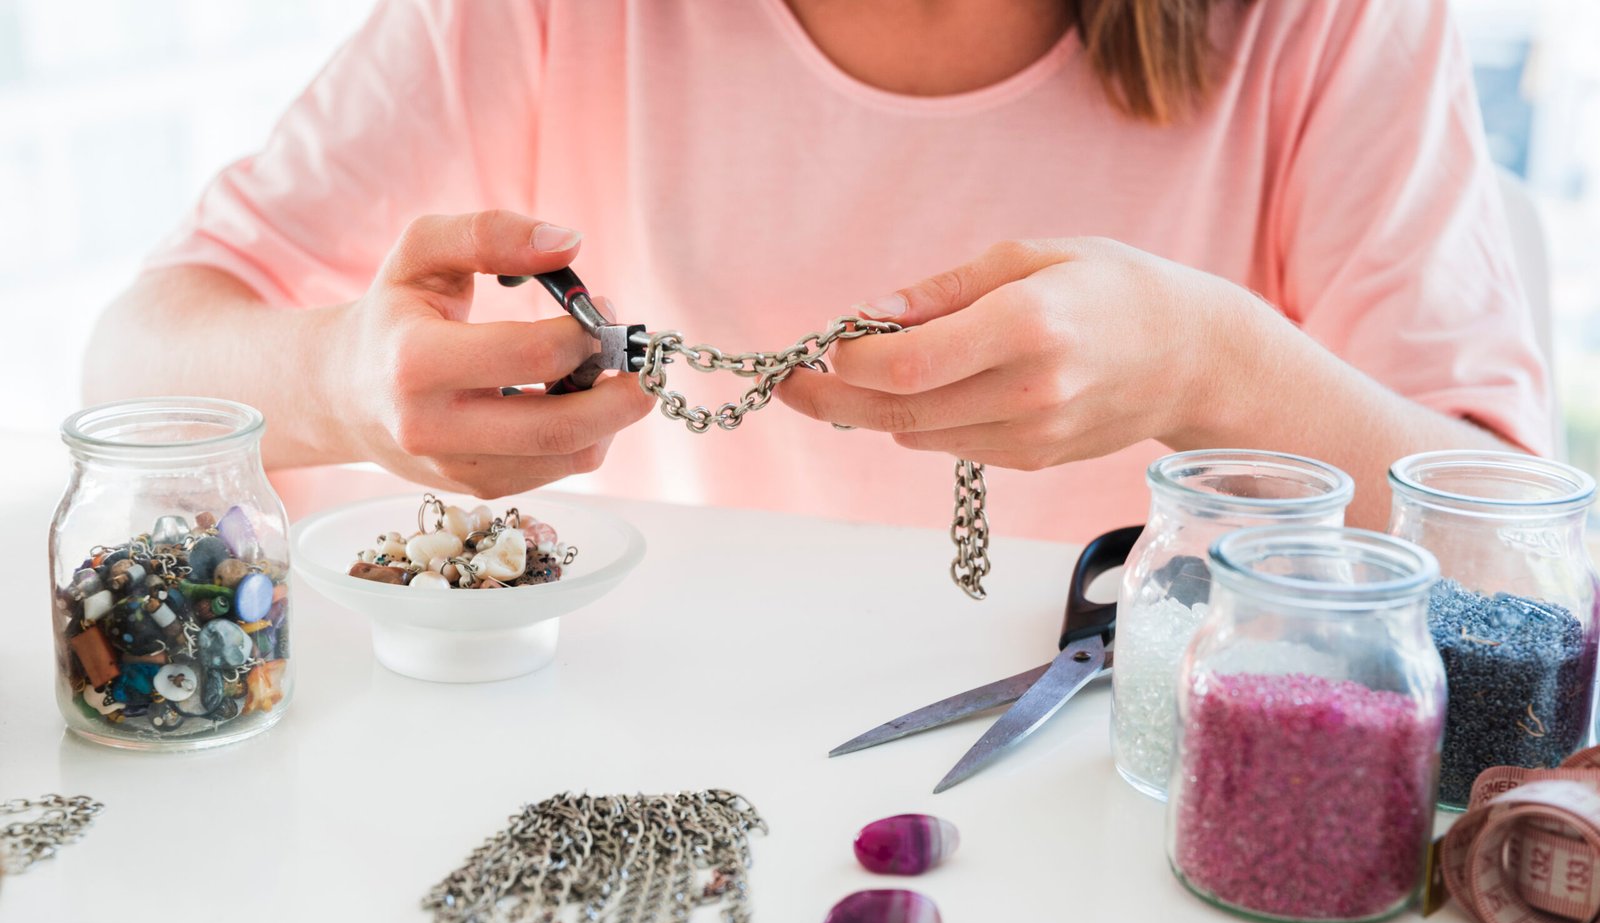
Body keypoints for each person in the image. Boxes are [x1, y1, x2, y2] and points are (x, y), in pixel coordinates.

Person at [84, 0, 1548, 542]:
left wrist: (1211, 371)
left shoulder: (1328, 27)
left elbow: (1529, 568)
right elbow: (130, 373)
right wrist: (338, 382)